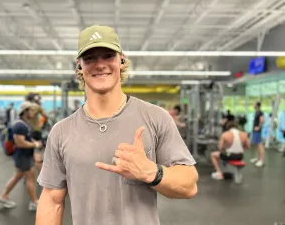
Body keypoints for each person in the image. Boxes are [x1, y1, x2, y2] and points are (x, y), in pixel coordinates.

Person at [36, 25, 198, 225]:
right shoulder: (61, 131)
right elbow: (52, 201)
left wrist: (151, 172)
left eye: (107, 56)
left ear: (121, 59)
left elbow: (189, 185)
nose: (100, 64)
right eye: (90, 58)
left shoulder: (155, 117)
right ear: (79, 65)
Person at [0, 101, 42, 211]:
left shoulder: (22, 124)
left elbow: (25, 139)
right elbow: (20, 143)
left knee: (17, 176)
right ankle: (34, 202)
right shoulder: (20, 125)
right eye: (30, 110)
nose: (33, 112)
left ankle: (4, 196)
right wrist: (35, 144)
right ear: (25, 112)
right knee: (31, 178)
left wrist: (34, 142)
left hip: (22, 156)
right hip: (23, 156)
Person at [25, 93, 47, 171]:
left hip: (27, 131)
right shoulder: (37, 107)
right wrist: (41, 124)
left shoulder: (25, 107)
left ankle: (29, 171)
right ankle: (43, 179)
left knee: (30, 153)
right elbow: (45, 115)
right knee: (38, 155)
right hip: (36, 132)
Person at [250, 102, 265, 167]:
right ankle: (258, 158)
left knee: (260, 144)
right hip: (255, 130)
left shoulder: (260, 112)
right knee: (257, 144)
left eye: (254, 104)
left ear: (257, 105)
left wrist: (259, 127)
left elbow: (262, 120)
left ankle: (261, 160)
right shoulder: (256, 112)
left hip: (257, 131)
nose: (253, 105)